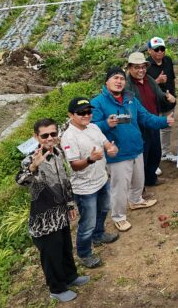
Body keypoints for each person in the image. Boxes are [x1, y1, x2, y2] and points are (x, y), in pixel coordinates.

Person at [91, 67, 173, 232]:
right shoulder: (97, 103)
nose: (119, 81)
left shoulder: (131, 99)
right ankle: (119, 217)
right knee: (119, 188)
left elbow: (145, 117)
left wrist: (164, 121)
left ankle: (136, 200)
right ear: (107, 82)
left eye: (121, 78)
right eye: (115, 78)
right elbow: (91, 128)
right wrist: (106, 124)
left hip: (136, 147)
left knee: (138, 179)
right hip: (117, 153)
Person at [17, 118, 89, 303]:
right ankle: (56, 288)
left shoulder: (57, 152)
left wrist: (70, 205)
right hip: (44, 219)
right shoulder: (30, 158)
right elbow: (20, 181)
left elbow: (64, 180)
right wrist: (33, 166)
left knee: (65, 247)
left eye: (53, 134)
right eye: (44, 135)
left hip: (60, 213)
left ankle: (70, 276)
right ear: (36, 136)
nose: (49, 138)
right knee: (51, 255)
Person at [61, 97, 120, 269]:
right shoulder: (69, 137)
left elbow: (106, 143)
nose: (86, 115)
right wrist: (90, 159)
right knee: (87, 223)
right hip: (84, 188)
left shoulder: (93, 127)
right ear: (71, 115)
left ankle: (99, 235)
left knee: (104, 209)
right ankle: (84, 253)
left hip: (102, 179)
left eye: (88, 112)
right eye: (81, 113)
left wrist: (111, 149)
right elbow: (74, 165)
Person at [125, 52, 176, 188]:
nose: (141, 70)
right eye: (137, 67)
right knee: (143, 155)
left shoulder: (149, 80)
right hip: (139, 126)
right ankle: (140, 187)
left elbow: (160, 95)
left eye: (143, 67)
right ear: (129, 68)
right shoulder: (127, 85)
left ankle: (151, 179)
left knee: (155, 152)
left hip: (153, 121)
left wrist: (169, 98)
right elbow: (129, 108)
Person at [146, 37, 177, 163]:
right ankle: (154, 157)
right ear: (149, 50)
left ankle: (166, 152)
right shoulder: (145, 66)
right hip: (153, 103)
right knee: (153, 130)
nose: (159, 52)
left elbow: (173, 79)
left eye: (162, 49)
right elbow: (145, 87)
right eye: (156, 49)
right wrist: (157, 81)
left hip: (168, 101)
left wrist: (173, 96)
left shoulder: (168, 60)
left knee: (167, 127)